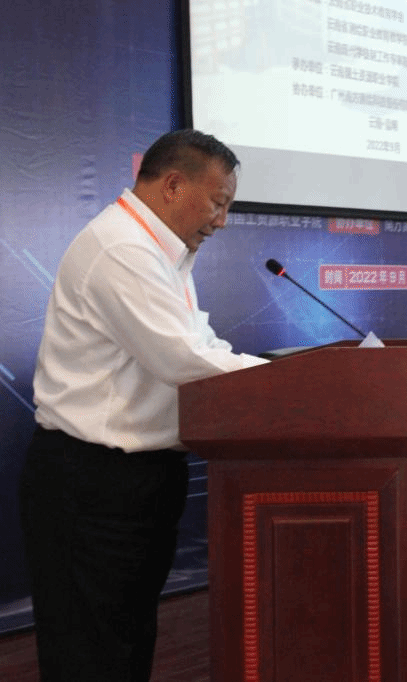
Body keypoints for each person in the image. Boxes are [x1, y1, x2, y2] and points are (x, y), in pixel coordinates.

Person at [19, 129, 268, 682]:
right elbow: (184, 359)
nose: (222, 221)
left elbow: (202, 345)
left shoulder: (163, 253)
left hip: (138, 478)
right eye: (218, 203)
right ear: (173, 186)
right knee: (90, 650)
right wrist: (290, 381)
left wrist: (277, 375)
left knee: (125, 639)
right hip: (93, 481)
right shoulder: (123, 248)